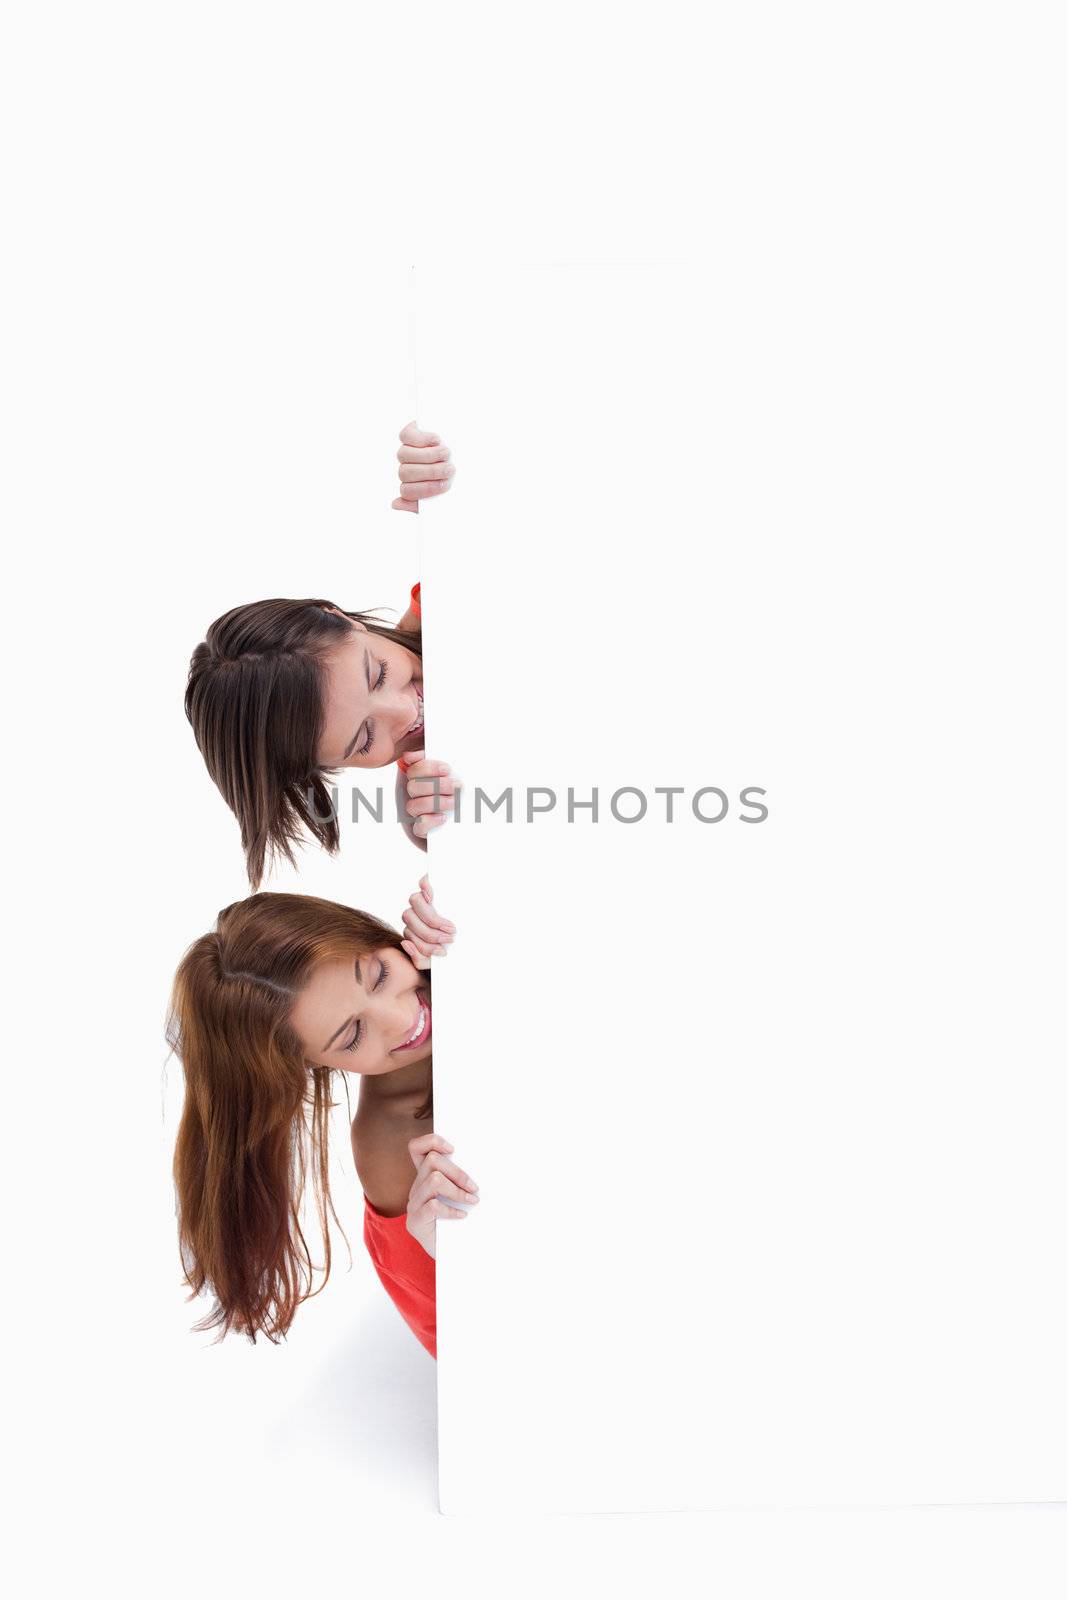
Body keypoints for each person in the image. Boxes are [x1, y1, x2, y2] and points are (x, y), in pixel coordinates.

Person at [167, 876, 477, 1358]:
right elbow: (459, 1351)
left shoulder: (449, 939)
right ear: (314, 1066)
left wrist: (469, 896)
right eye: (352, 1037)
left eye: (378, 975)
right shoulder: (389, 1147)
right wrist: (453, 1254)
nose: (401, 1019)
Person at [185, 422, 460, 887]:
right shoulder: (420, 755)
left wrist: (450, 501)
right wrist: (424, 822)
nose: (405, 709)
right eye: (365, 741)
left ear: (342, 618)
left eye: (377, 674)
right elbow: (425, 816)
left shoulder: (444, 596)